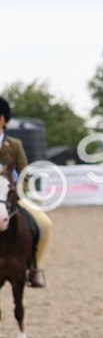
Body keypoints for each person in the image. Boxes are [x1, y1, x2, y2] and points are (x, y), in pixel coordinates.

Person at [0, 97, 51, 287]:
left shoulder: (15, 145)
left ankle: (35, 269)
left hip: (12, 197)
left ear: (3, 119)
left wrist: (20, 194)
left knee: (45, 224)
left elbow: (25, 173)